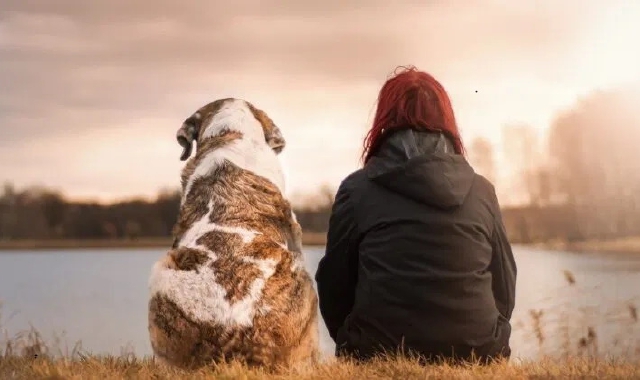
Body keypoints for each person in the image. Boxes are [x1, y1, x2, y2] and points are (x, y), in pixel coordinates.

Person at [315, 66, 517, 364]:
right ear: (446, 120)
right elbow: (505, 284)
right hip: (478, 352)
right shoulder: (482, 191)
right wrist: (487, 336)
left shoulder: (356, 190)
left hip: (375, 352)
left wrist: (351, 339)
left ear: (384, 120)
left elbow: (334, 286)